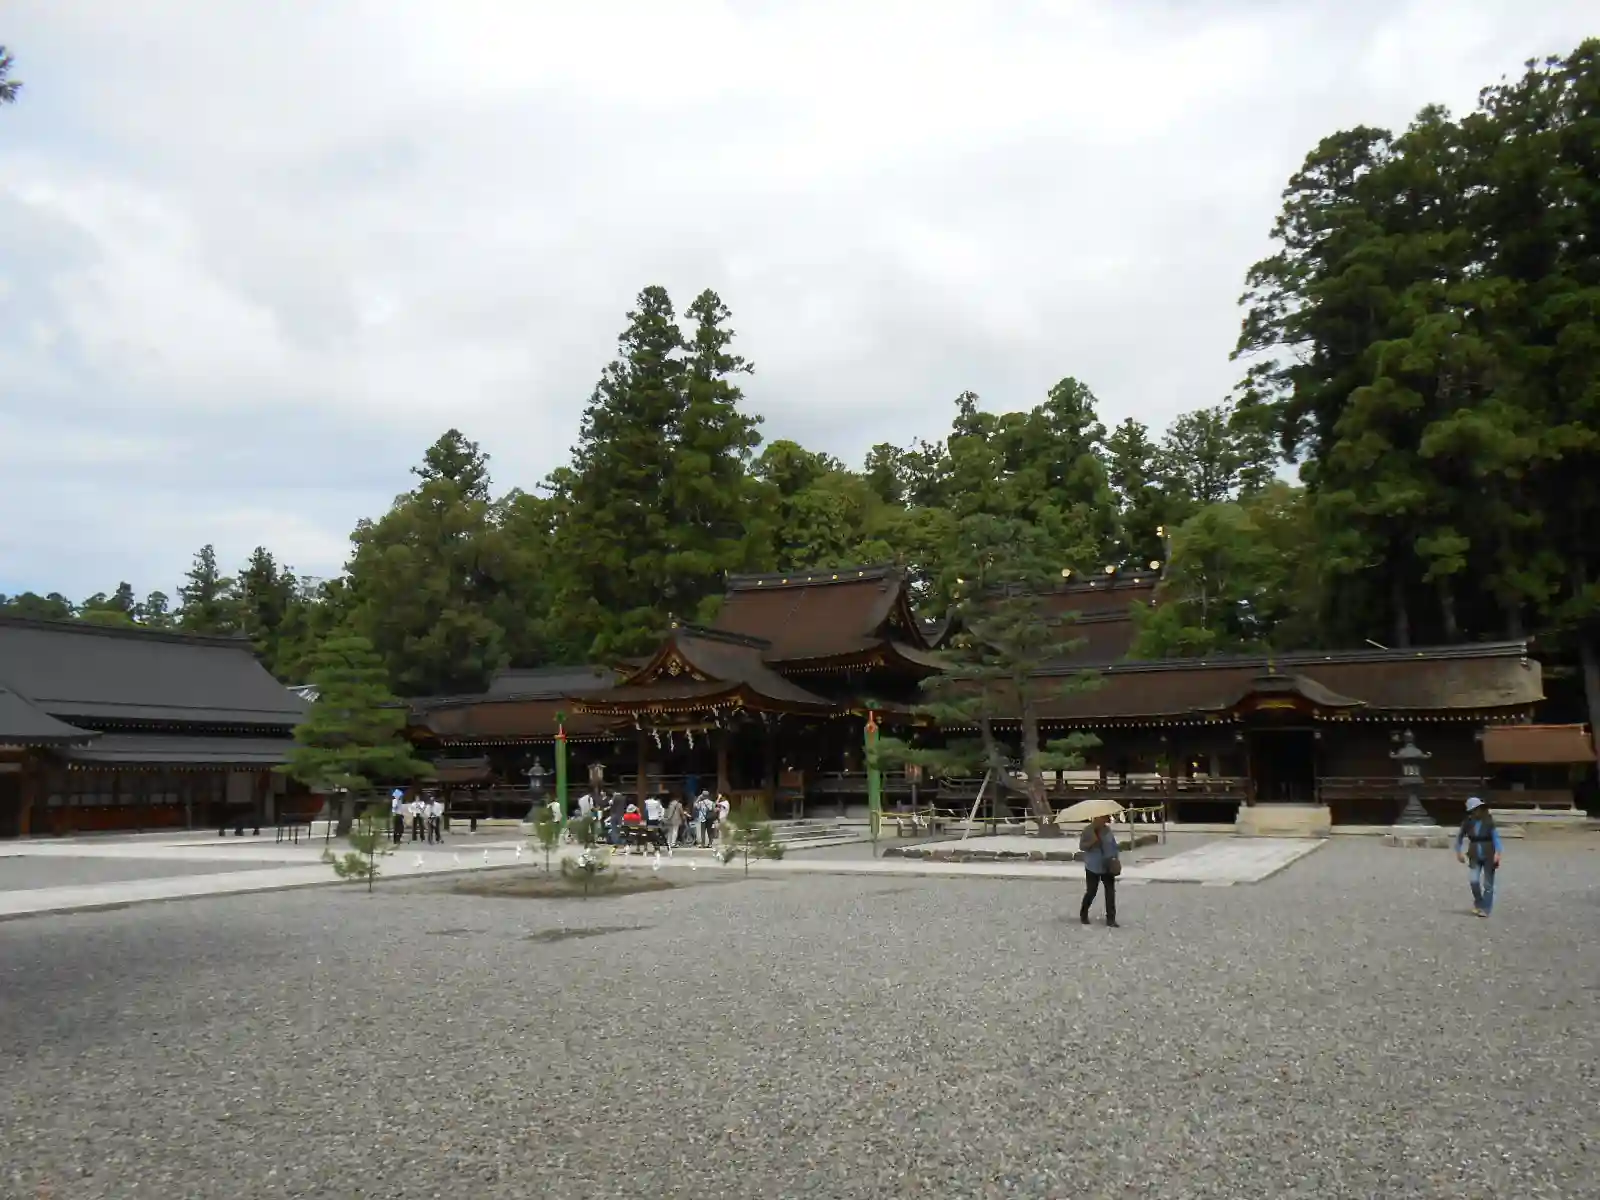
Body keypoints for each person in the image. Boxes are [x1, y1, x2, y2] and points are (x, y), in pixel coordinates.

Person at [1455, 796, 1503, 917]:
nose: (1475, 812)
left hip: (1488, 853)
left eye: (1477, 809)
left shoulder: (1488, 821)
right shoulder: (1468, 822)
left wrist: (1498, 852)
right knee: (1474, 881)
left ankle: (1486, 908)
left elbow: (1496, 838)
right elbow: (1459, 837)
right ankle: (1479, 902)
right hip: (1474, 853)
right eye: (1473, 810)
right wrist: (1458, 851)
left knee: (1488, 884)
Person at [1078, 814, 1120, 927]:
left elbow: (1113, 845)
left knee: (1110, 892)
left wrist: (1115, 858)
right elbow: (1082, 846)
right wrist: (1092, 842)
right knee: (1091, 891)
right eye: (1103, 818)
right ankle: (1083, 913)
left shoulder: (1107, 830)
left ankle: (1111, 918)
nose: (1104, 820)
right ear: (1096, 818)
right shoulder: (1088, 830)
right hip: (1093, 866)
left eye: (1105, 818)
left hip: (1107, 864)